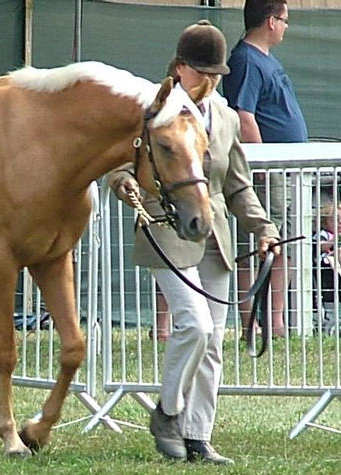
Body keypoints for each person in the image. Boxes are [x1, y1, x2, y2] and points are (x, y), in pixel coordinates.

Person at [108, 20, 280, 465]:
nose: (208, 81)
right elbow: (120, 163)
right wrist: (123, 181)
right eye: (201, 71)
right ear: (180, 67)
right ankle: (167, 413)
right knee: (195, 325)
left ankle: (198, 435)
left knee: (214, 342)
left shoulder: (223, 117)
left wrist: (263, 227)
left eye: (216, 74)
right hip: (166, 228)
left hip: (214, 233)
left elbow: (238, 185)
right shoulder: (152, 110)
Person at [223, 0, 308, 338]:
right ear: (271, 21)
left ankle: (276, 321)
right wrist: (261, 163)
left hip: (284, 170)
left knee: (282, 243)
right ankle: (251, 322)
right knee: (257, 244)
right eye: (285, 20)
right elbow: (244, 116)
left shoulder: (263, 59)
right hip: (266, 171)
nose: (286, 26)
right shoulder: (245, 60)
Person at [312, 200, 341, 334]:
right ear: (324, 222)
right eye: (336, 220)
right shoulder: (324, 234)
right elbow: (320, 246)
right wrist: (334, 241)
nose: (340, 223)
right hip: (325, 268)